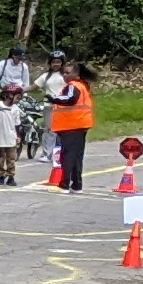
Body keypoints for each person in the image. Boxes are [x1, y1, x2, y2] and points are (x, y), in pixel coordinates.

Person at [49, 59, 94, 191]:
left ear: (75, 74)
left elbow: (69, 99)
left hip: (71, 125)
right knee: (76, 156)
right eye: (64, 73)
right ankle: (76, 184)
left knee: (67, 156)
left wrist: (54, 98)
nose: (65, 76)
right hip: (79, 124)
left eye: (68, 73)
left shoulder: (73, 86)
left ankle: (64, 184)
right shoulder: (82, 85)